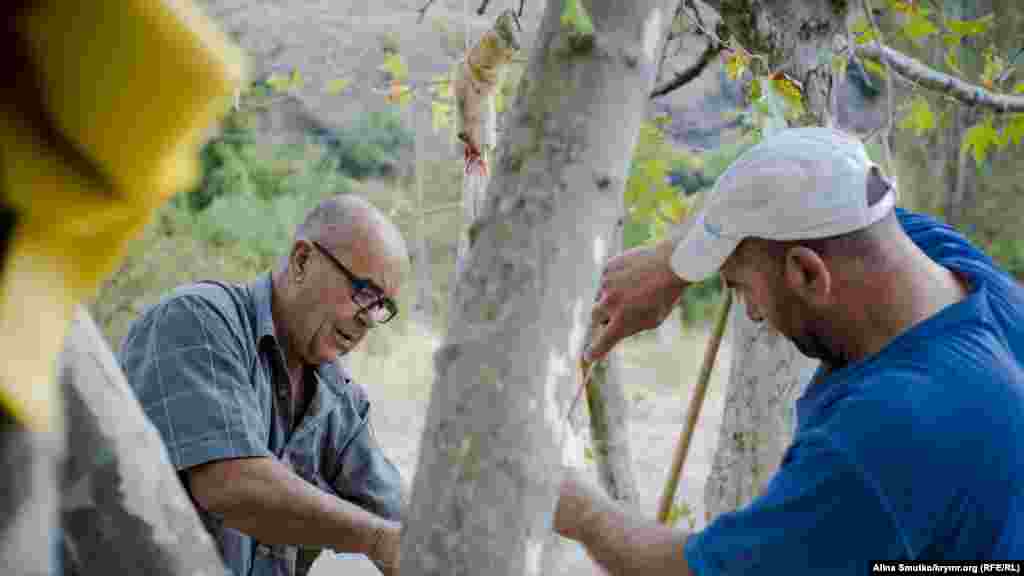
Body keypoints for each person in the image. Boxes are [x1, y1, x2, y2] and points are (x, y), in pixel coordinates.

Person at [553, 127, 1024, 574]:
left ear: (806, 273)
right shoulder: (941, 266)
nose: (754, 314)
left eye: (741, 289)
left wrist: (577, 506)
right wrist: (672, 264)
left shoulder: (886, 432)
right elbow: (800, 173)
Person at [118, 194, 410, 576]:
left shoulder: (342, 403)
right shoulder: (197, 321)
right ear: (302, 260)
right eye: (365, 293)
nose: (367, 320)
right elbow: (230, 485)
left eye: (381, 307)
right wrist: (375, 539)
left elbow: (406, 525)